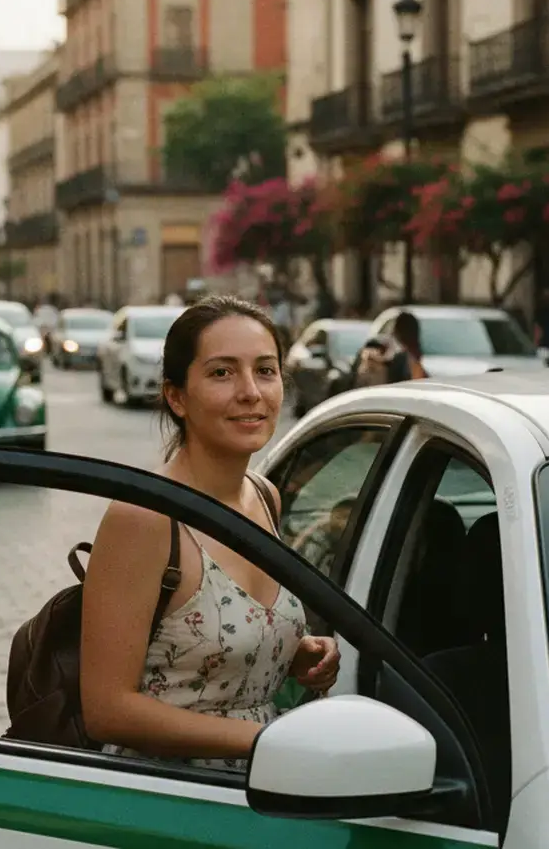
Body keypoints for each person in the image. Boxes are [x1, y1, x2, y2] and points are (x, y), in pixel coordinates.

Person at [79, 295, 340, 772]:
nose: (251, 392)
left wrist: (294, 654)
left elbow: (215, 648)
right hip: (172, 799)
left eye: (265, 370)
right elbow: (107, 709)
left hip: (264, 785)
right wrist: (263, 738)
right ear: (177, 396)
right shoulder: (146, 517)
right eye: (222, 373)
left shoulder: (264, 497)